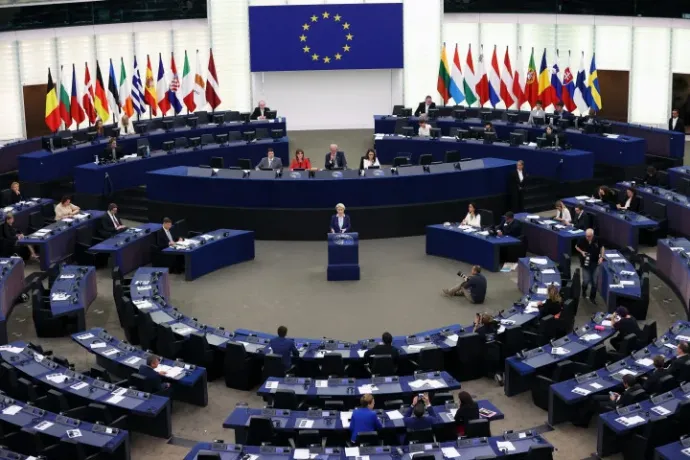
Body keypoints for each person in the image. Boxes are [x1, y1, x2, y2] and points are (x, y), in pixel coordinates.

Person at [576, 229, 604, 305]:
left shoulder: (598, 239)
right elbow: (576, 246)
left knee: (594, 282)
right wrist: (582, 252)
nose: (587, 237)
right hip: (585, 264)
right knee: (586, 280)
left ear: (592, 235)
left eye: (589, 236)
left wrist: (601, 257)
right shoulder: (582, 239)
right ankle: (584, 292)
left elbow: (602, 247)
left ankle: (592, 298)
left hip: (595, 263)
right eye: (586, 236)